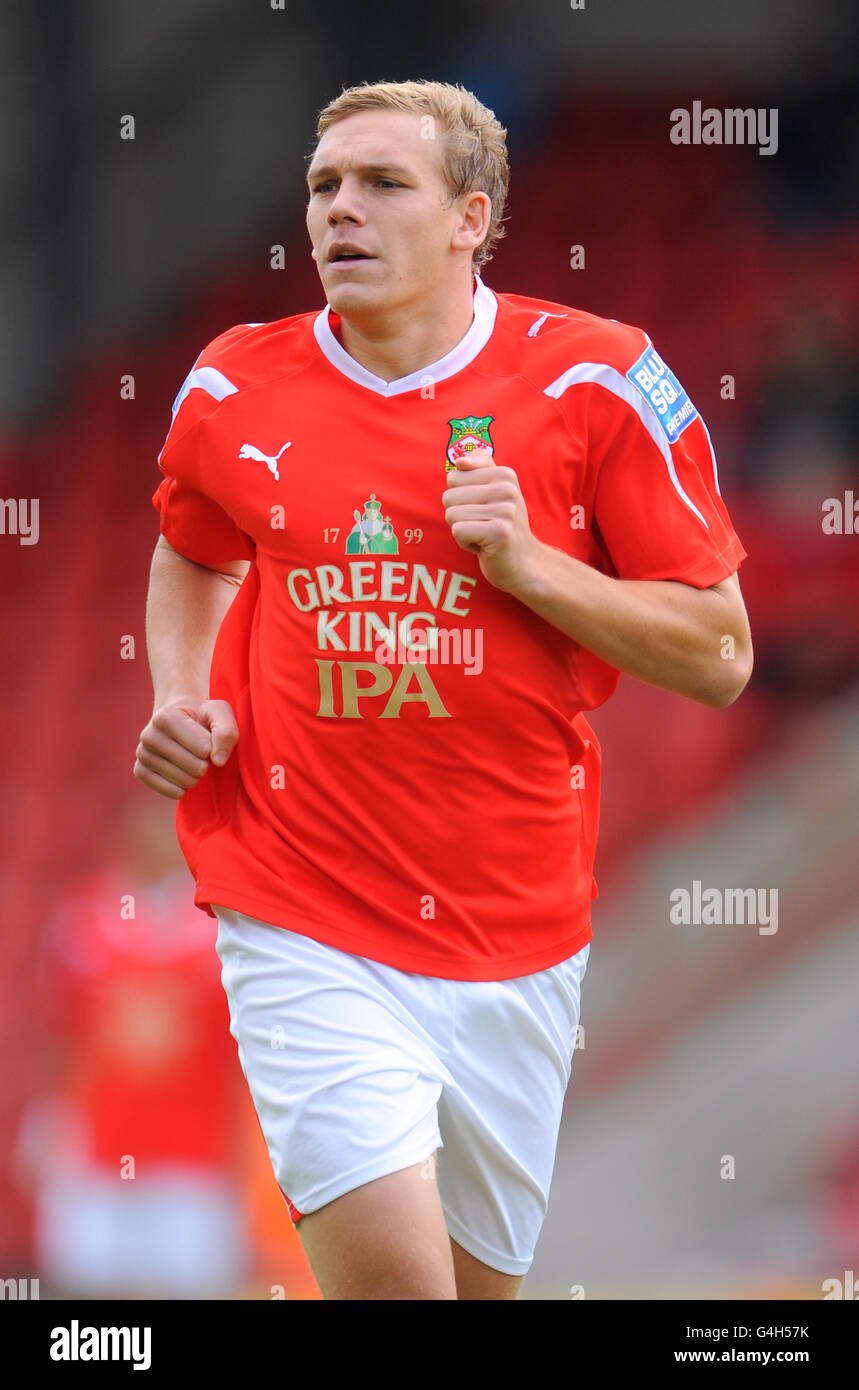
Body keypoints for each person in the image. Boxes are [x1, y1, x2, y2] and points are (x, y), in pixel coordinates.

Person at [133, 79, 752, 1300]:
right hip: (299, 906)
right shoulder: (231, 388)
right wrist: (182, 694)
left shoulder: (599, 382)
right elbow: (191, 548)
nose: (338, 213)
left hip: (515, 933)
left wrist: (529, 568)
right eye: (322, 187)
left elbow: (719, 654)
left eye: (381, 185)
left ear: (471, 218)